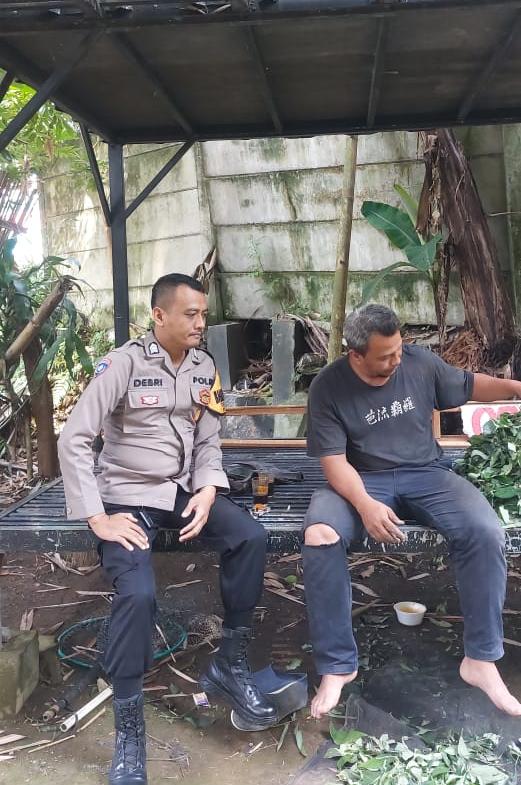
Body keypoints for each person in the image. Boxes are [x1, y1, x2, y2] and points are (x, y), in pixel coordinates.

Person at [58, 273, 276, 785]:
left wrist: (208, 489)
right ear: (159, 316)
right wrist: (97, 517)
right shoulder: (123, 364)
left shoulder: (204, 366)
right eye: (190, 314)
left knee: (250, 537)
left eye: (203, 314)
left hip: (180, 493)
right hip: (126, 498)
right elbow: (74, 439)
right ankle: (129, 733)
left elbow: (209, 440)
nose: (201, 323)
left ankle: (229, 663)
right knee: (137, 595)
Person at [302, 303, 521, 720]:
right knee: (320, 534)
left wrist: (515, 389)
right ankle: (337, 666)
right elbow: (333, 462)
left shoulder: (419, 363)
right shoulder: (328, 387)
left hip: (426, 474)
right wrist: (365, 505)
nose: (397, 360)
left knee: (484, 531)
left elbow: (471, 384)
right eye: (386, 356)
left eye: (399, 349)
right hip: (360, 480)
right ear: (356, 355)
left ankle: (480, 660)